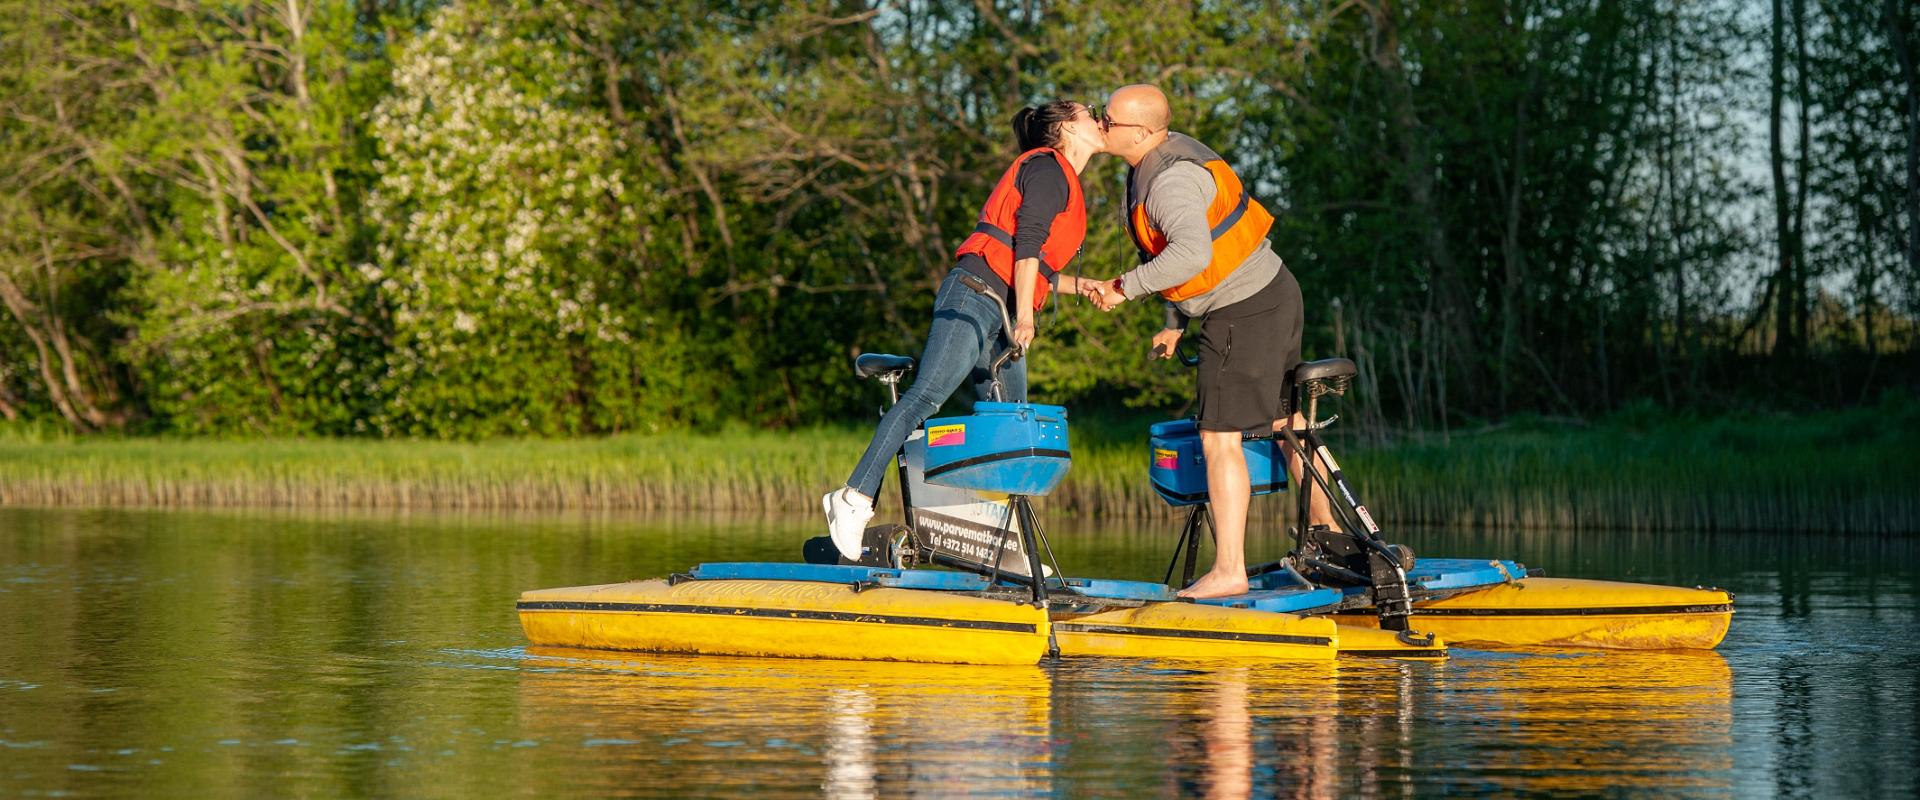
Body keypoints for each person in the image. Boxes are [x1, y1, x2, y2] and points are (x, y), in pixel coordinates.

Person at [822, 100, 1107, 559]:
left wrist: (1082, 285)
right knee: (927, 395)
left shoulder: (1064, 179)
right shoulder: (1048, 168)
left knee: (1014, 421)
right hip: (974, 293)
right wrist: (1027, 316)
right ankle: (853, 498)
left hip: (999, 304)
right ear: (1065, 129)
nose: (1099, 118)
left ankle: (1013, 551)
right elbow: (1027, 243)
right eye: (1089, 112)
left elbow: (1031, 263)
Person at [1084, 84, 1337, 599]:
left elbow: (1192, 256)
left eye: (1106, 119)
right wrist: (1175, 322)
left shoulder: (1168, 181)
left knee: (1218, 438)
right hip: (1275, 292)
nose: (1099, 124)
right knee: (1288, 420)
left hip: (1241, 311)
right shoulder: (1163, 156)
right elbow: (1197, 251)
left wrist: (1121, 288)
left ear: (1141, 132)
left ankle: (1229, 571)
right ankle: (1328, 537)